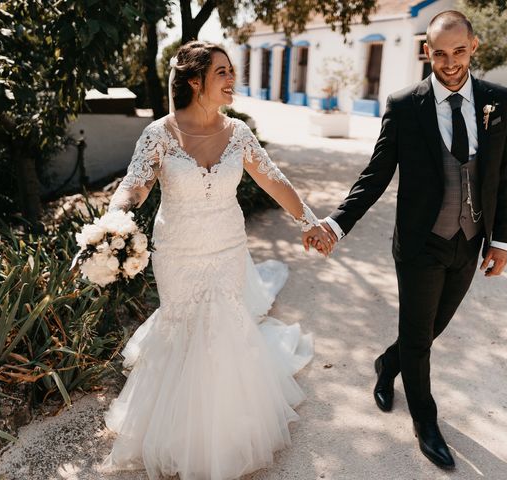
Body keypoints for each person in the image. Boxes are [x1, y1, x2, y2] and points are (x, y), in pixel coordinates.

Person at [99, 40, 334, 480]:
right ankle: (175, 435)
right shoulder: (160, 134)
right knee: (183, 329)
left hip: (227, 248)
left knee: (223, 331)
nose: (232, 79)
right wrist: (114, 220)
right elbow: (136, 186)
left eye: (231, 71)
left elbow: (273, 180)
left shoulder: (239, 133)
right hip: (178, 253)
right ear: (194, 80)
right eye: (222, 72)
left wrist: (309, 220)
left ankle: (225, 432)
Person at [315, 10, 507, 469]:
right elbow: (376, 174)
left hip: (469, 241)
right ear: (426, 51)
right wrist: (336, 223)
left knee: (428, 329)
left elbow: (505, 178)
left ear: (474, 46)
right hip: (420, 241)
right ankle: (426, 419)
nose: (449, 63)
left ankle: (388, 363)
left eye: (459, 52)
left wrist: (500, 241)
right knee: (420, 336)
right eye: (439, 53)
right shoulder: (405, 105)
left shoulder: (499, 101)